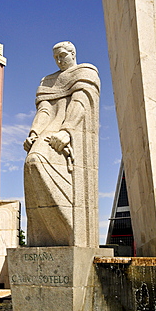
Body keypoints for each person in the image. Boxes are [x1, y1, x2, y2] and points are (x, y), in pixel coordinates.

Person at [24, 41, 100, 247]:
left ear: (73, 53)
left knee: (36, 161)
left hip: (67, 133)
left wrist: (67, 131)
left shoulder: (85, 72)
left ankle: (70, 229)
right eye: (55, 57)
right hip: (48, 131)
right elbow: (44, 111)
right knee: (32, 162)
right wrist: (34, 133)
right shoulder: (48, 80)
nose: (59, 60)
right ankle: (47, 235)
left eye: (63, 55)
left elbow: (81, 103)